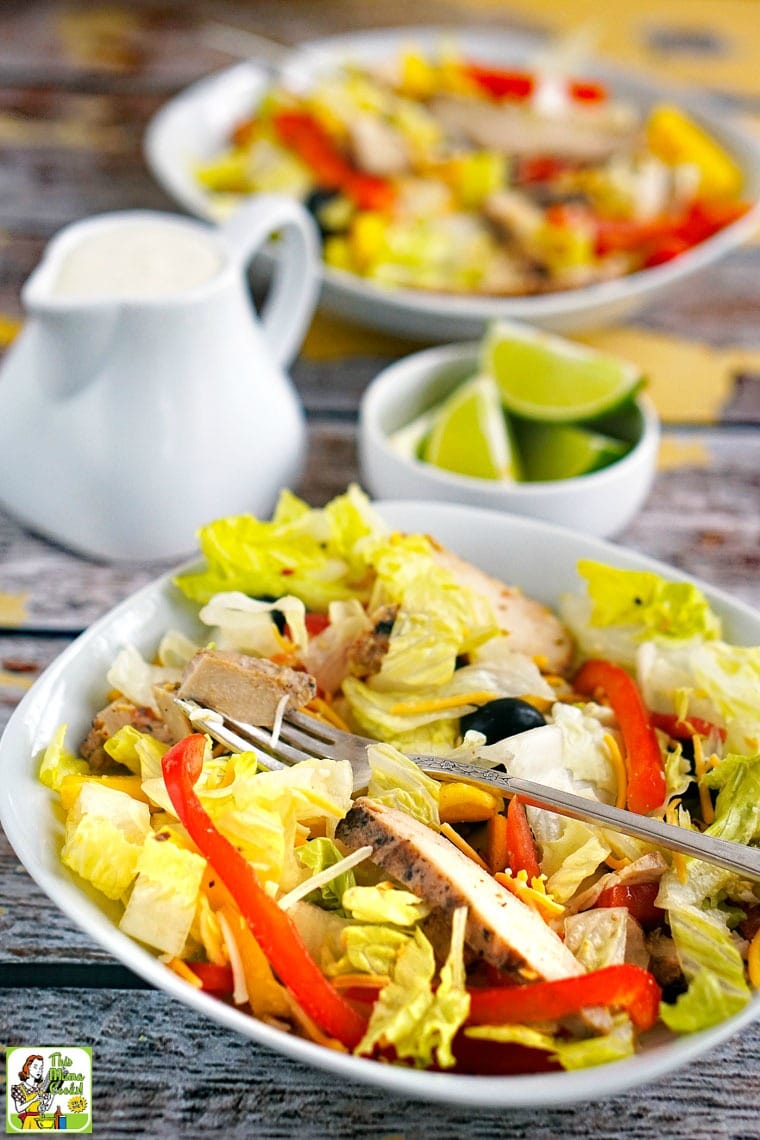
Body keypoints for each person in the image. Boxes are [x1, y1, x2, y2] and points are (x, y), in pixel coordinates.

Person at [10, 1055, 53, 1129]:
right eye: (36, 1067)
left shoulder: (41, 1088)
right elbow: (19, 1109)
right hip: (29, 1122)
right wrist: (33, 1100)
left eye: (41, 1068)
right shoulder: (19, 1088)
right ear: (28, 1067)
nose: (39, 1070)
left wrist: (53, 1094)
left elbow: (46, 1108)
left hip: (40, 1121)